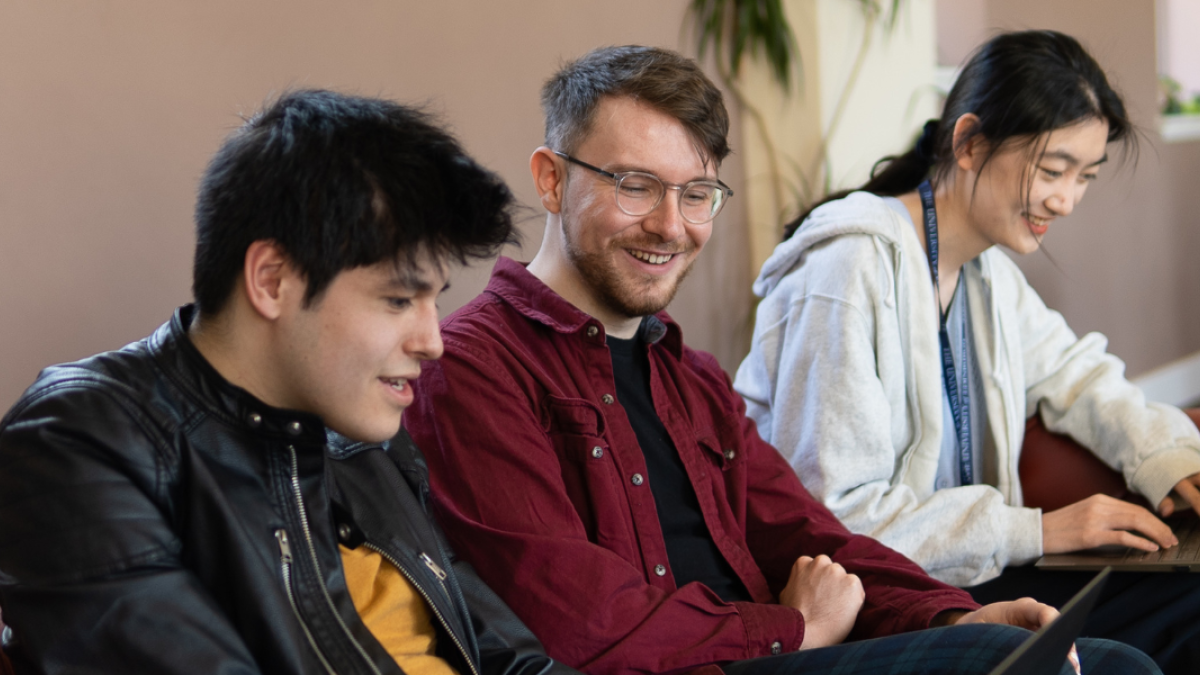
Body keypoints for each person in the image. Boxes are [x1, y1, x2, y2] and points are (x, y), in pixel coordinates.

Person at [404, 45, 1157, 675]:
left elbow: (812, 532)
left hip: (777, 644)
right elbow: (583, 624)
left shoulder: (687, 375)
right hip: (730, 659)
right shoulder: (471, 368)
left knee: (1107, 662)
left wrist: (953, 611)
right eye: (636, 186)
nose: (671, 225)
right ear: (551, 177)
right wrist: (791, 628)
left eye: (697, 193)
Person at [0, 90, 579, 675]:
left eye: (433, 300)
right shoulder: (77, 441)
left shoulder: (364, 437)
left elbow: (514, 661)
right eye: (399, 299)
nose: (433, 341)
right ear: (272, 281)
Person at [733, 29, 1200, 675]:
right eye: (1053, 169)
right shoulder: (848, 268)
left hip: (964, 573)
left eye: (1084, 175)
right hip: (884, 599)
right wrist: (1037, 529)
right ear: (970, 141)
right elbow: (833, 517)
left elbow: (1077, 374)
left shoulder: (987, 274)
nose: (1066, 200)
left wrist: (1172, 457)